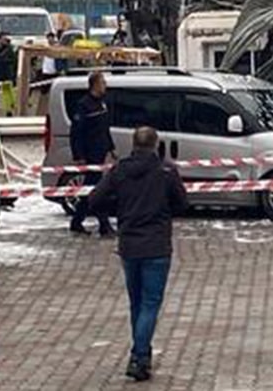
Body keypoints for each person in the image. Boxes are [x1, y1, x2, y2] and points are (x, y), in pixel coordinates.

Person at [89, 126, 188, 382]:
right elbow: (182, 203)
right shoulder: (166, 171)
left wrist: (119, 208)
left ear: (133, 144)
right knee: (151, 302)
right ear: (155, 145)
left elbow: (95, 199)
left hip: (129, 245)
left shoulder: (119, 171)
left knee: (137, 302)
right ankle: (139, 354)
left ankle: (141, 357)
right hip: (156, 245)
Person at [70, 71, 117, 237]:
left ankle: (77, 222)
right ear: (95, 84)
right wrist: (79, 156)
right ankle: (104, 225)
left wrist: (111, 148)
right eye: (103, 82)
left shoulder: (102, 103)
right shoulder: (84, 105)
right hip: (90, 155)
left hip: (101, 153)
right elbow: (76, 133)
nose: (105, 85)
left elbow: (105, 129)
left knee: (90, 189)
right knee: (97, 190)